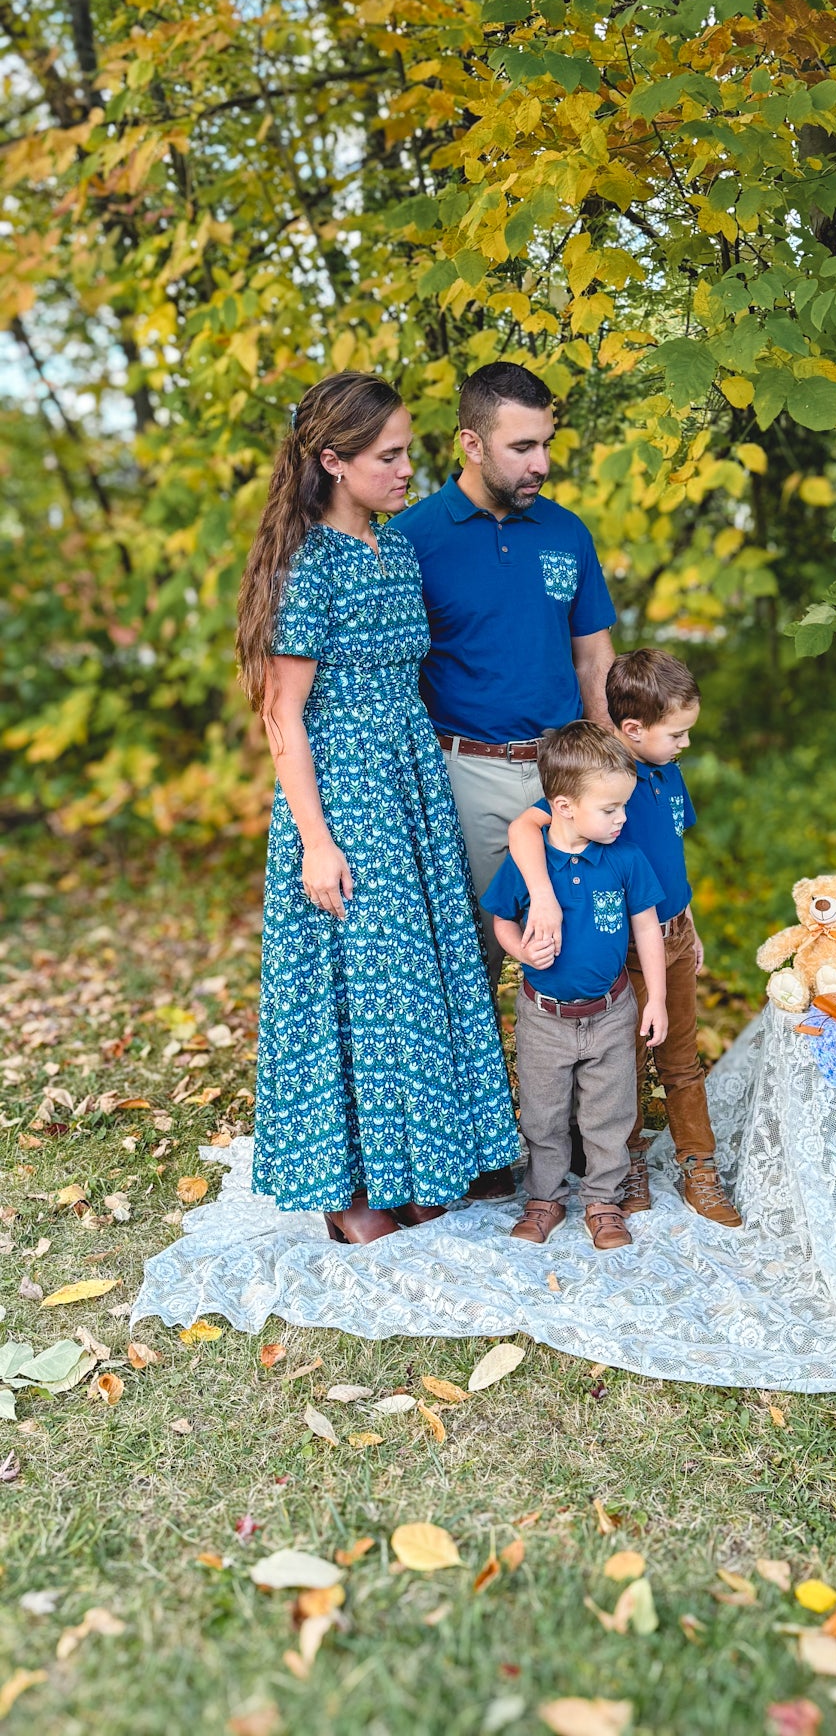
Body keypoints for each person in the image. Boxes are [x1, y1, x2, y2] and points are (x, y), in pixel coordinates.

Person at [234, 372, 520, 1245]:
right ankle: (348, 1187)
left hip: (411, 783)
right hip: (345, 792)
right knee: (357, 981)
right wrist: (315, 843)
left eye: (407, 452)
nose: (406, 470)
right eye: (388, 457)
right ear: (333, 461)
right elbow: (281, 716)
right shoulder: (307, 562)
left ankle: (419, 1163)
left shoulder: (393, 548)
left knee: (417, 978)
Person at [391, 361, 616, 990]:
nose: (540, 463)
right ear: (471, 443)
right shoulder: (409, 540)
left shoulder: (567, 532)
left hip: (564, 769)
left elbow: (594, 658)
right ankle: (479, 1059)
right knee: (471, 954)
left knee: (585, 939)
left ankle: (575, 1057)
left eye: (546, 443)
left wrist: (607, 767)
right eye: (521, 447)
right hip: (463, 774)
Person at [507, 648, 742, 1227]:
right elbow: (526, 825)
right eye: (677, 734)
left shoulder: (668, 774)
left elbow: (671, 857)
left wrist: (689, 920)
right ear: (634, 729)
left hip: (673, 935)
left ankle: (699, 1166)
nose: (685, 743)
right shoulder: (599, 785)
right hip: (627, 946)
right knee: (623, 1067)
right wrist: (541, 894)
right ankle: (626, 1165)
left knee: (682, 1060)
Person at [481, 723, 667, 1252]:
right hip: (545, 1017)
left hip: (610, 1011)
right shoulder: (529, 863)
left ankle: (603, 1199)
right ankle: (545, 1197)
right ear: (562, 806)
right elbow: (502, 920)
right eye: (610, 809)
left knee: (609, 1113)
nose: (622, 818)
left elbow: (646, 929)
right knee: (544, 1114)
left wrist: (656, 998)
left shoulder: (625, 859)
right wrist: (520, 952)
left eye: (623, 806)